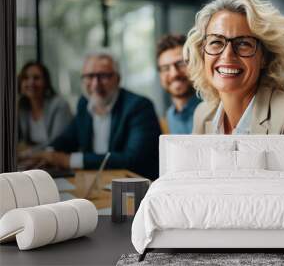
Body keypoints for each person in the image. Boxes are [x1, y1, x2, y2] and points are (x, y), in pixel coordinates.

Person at [184, 0, 284, 176]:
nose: (227, 55)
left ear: (265, 57)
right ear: (202, 52)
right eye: (216, 42)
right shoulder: (202, 115)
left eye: (243, 43)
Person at [34, 52, 161, 180]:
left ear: (118, 79)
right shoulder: (84, 103)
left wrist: (70, 160)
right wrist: (49, 153)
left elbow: (133, 159)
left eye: (104, 76)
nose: (95, 84)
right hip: (95, 181)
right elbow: (68, 137)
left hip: (135, 186)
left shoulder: (139, 106)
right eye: (89, 76)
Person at [17, 61, 72, 151]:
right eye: (25, 78)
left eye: (36, 78)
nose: (31, 82)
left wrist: (29, 151)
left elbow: (57, 142)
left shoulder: (60, 105)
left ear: (46, 82)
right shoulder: (22, 106)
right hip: (33, 159)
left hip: (56, 158)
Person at [156, 34, 201, 134]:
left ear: (195, 64)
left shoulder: (214, 110)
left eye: (181, 64)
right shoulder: (167, 120)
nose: (174, 73)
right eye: (165, 68)